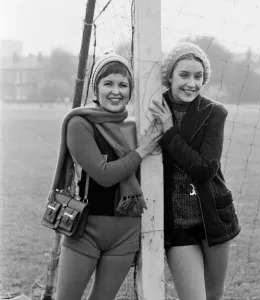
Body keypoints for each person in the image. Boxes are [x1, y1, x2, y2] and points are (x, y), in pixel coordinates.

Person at [48, 52, 162, 300]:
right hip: (85, 231)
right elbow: (104, 175)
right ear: (95, 88)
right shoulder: (79, 124)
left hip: (126, 233)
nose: (116, 91)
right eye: (108, 83)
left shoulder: (138, 127)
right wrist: (143, 150)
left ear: (130, 91)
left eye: (123, 85)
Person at [149, 42, 241, 300]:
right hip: (177, 224)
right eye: (184, 75)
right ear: (169, 76)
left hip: (213, 217)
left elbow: (204, 169)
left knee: (214, 296)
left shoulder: (214, 113)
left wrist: (169, 132)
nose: (191, 83)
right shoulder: (153, 108)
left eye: (198, 76)